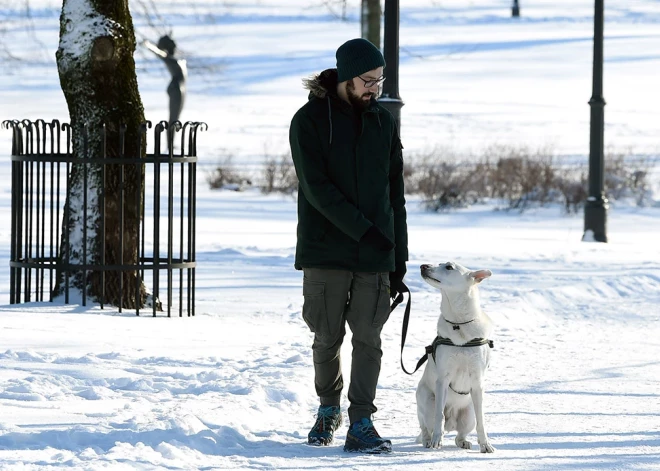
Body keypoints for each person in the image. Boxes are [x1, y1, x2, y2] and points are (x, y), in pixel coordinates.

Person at [289, 38, 408, 454]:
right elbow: (317, 189)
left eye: (380, 80)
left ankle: (361, 421)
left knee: (369, 338)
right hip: (325, 250)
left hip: (375, 252)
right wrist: (364, 230)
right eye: (368, 80)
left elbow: (396, 194)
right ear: (345, 77)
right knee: (326, 336)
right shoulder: (308, 121)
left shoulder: (383, 122)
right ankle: (327, 409)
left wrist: (399, 257)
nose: (375, 89)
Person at [143, 35, 187, 127]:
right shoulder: (168, 58)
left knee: (176, 118)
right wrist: (148, 45)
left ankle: (171, 139)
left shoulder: (175, 58)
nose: (174, 46)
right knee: (173, 119)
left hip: (180, 89)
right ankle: (170, 140)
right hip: (176, 89)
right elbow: (159, 53)